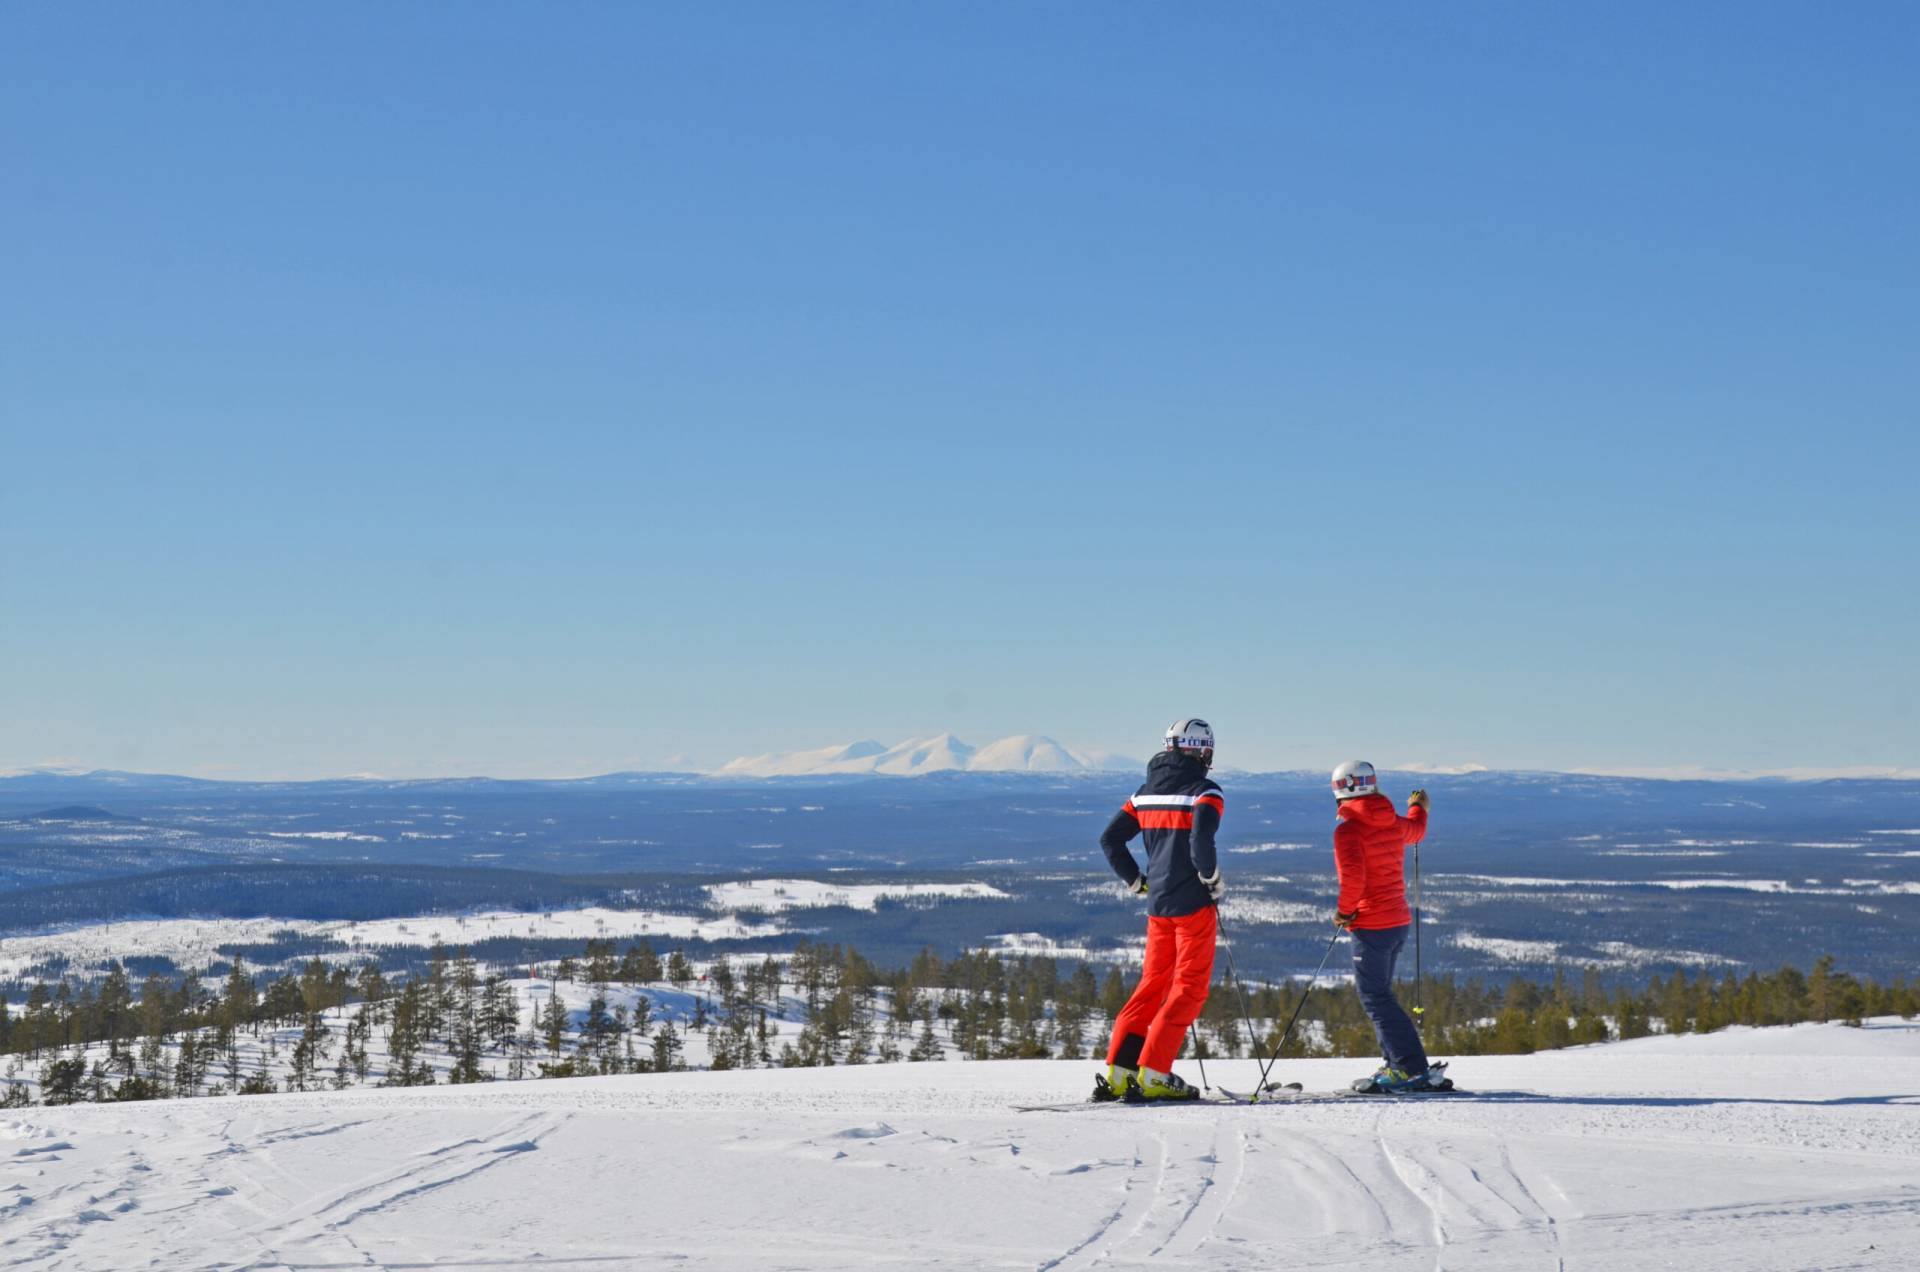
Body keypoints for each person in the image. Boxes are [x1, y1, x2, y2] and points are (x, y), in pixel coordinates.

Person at [1093, 719, 1226, 1102]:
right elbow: (1202, 841)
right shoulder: (1206, 792)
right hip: (1193, 908)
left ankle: (1121, 1072)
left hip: (1158, 907)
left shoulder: (1144, 793)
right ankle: (1154, 1073)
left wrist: (1136, 881)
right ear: (1201, 751)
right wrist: (1211, 878)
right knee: (1189, 989)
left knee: (1151, 987)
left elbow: (1110, 839)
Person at [1329, 760, 1448, 1092]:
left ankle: (1408, 1067)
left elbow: (1353, 878)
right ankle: (1397, 1063)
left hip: (1372, 924)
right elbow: (1417, 830)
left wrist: (1343, 912)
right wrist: (1417, 807)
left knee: (1375, 997)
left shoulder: (1348, 830)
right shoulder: (1393, 822)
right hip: (1398, 921)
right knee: (1380, 994)